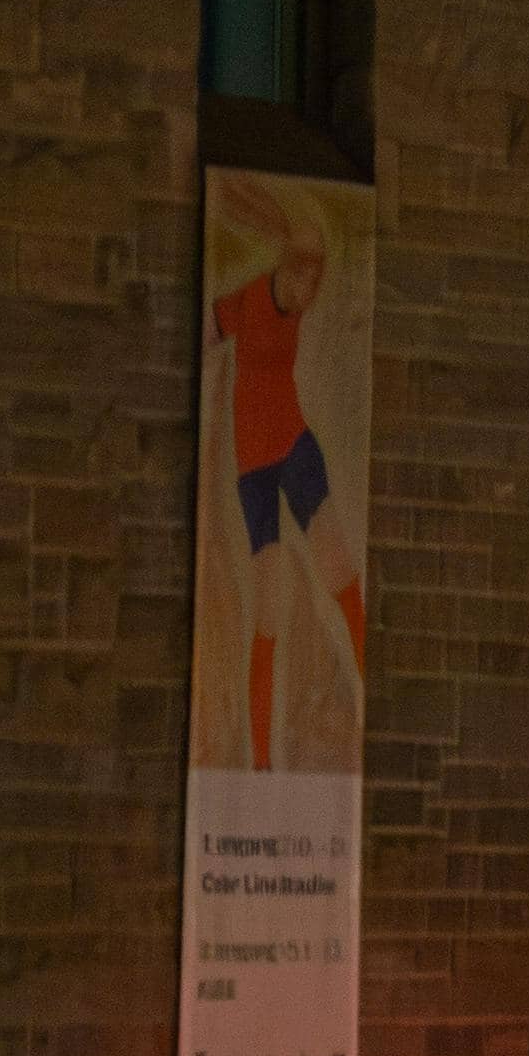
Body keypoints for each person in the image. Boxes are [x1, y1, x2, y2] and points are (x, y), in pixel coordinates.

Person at [204, 194, 371, 773]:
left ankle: (374, 712)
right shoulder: (247, 300)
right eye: (304, 273)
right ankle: (260, 767)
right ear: (285, 267)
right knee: (269, 610)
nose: (310, 290)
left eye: (317, 276)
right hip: (253, 467)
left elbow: (302, 227)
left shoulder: (299, 299)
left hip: (296, 446)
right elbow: (205, 336)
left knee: (340, 571)